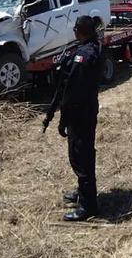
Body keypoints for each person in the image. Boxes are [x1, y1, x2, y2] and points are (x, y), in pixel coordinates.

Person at [43, 15, 103, 221]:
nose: (74, 31)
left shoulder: (85, 55)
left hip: (80, 114)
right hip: (86, 111)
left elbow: (71, 92)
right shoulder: (92, 47)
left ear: (82, 30)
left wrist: (63, 119)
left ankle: (88, 207)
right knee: (83, 154)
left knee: (80, 157)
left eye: (76, 28)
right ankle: (84, 193)